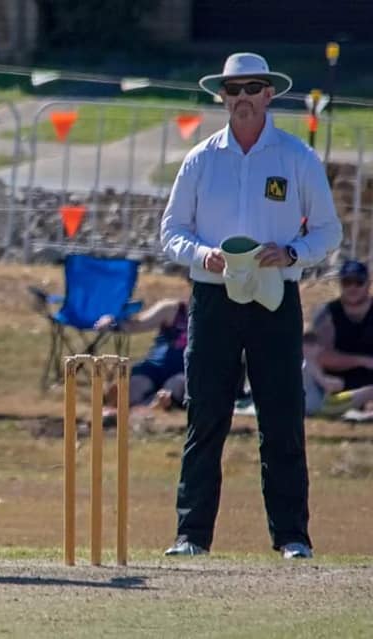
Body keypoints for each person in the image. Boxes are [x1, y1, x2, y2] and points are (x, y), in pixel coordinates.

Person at [159, 52, 343, 560]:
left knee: (281, 418)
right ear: (222, 96)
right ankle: (191, 536)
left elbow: (328, 231)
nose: (242, 98)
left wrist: (293, 253)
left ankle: (292, 536)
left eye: (251, 88)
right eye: (233, 90)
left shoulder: (296, 157)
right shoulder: (201, 159)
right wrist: (203, 255)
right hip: (214, 296)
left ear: (269, 94)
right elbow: (171, 231)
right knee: (206, 417)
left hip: (274, 295)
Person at [93, 297, 189, 410]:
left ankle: (156, 404)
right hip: (154, 367)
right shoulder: (171, 308)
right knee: (138, 384)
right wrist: (112, 322)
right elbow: (137, 324)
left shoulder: (208, 319)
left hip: (184, 371)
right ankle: (123, 403)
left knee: (176, 385)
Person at [312, 260, 373, 392]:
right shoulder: (327, 314)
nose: (352, 287)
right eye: (347, 282)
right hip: (339, 386)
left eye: (358, 282)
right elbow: (323, 357)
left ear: (368, 284)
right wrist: (363, 361)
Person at [302, 329, 373, 418]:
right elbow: (328, 386)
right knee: (370, 391)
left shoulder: (297, 363)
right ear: (312, 347)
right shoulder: (310, 363)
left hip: (310, 406)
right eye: (318, 347)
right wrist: (339, 383)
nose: (320, 350)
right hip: (320, 407)